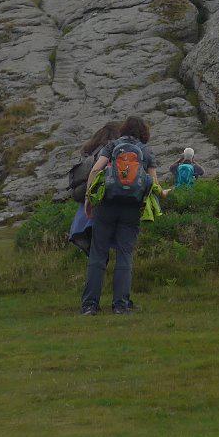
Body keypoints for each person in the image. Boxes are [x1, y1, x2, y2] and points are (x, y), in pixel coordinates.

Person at [80, 116, 157, 316]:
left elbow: (96, 170)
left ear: (123, 129)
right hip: (131, 209)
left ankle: (90, 305)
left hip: (106, 205)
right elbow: (154, 185)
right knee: (125, 254)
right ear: (143, 133)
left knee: (98, 253)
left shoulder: (112, 145)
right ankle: (121, 306)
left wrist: (89, 199)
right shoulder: (146, 152)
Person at [66, 122, 119, 256]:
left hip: (85, 200)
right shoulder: (112, 148)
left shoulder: (90, 149)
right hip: (103, 199)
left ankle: (96, 267)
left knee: (96, 250)